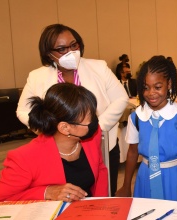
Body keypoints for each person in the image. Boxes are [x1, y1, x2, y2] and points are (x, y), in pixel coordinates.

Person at [16, 24, 128, 197]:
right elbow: (23, 110)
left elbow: (121, 98)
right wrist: (51, 129)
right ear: (49, 53)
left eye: (74, 45)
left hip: (102, 145)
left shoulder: (98, 67)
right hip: (59, 151)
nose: (71, 52)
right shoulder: (37, 76)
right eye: (62, 49)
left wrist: (96, 127)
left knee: (103, 196)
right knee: (66, 196)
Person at [0, 83, 108, 202]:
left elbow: (100, 170)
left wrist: (100, 205)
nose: (94, 122)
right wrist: (46, 192)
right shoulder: (25, 158)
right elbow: (1, 197)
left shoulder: (91, 139)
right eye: (89, 119)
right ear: (65, 128)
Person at [116, 56, 177, 202]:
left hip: (174, 178)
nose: (151, 93)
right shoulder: (136, 117)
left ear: (169, 84)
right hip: (145, 178)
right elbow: (132, 152)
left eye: (158, 87)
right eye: (145, 88)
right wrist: (126, 185)